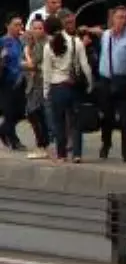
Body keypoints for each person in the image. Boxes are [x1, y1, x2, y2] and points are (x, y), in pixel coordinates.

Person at [41, 15, 90, 163]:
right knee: (75, 122)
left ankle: (61, 154)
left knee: (59, 122)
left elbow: (47, 72)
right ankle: (77, 154)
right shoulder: (76, 42)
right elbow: (85, 66)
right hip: (73, 86)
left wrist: (46, 90)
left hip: (57, 87)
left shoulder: (48, 47)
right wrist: (90, 84)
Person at [96, 6, 126, 163]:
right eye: (119, 17)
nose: (122, 20)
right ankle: (106, 144)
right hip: (106, 80)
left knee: (125, 118)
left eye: (125, 17)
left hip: (123, 80)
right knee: (107, 117)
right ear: (113, 19)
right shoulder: (106, 35)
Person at [21, 17, 50, 160]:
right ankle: (42, 144)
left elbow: (33, 64)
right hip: (31, 84)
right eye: (35, 28)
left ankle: (42, 145)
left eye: (40, 28)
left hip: (41, 83)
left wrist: (26, 57)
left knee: (34, 113)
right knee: (34, 114)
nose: (38, 31)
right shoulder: (31, 43)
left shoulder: (45, 44)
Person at [0, 14, 25, 151]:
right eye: (16, 24)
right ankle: (13, 139)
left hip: (20, 80)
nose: (19, 27)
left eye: (21, 24)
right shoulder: (3, 41)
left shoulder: (20, 41)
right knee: (10, 112)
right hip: (7, 81)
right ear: (8, 25)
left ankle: (4, 131)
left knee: (20, 112)